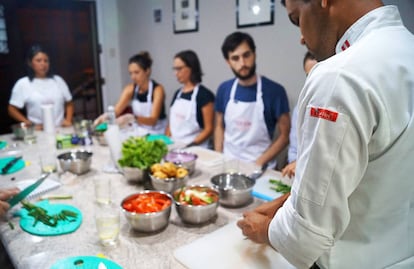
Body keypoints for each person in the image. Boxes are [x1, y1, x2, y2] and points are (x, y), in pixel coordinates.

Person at [237, 1, 414, 268]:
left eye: (297, 19)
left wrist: (264, 229)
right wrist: (289, 202)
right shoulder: (405, 49)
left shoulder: (339, 76)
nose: (301, 38)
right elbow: (376, 174)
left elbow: (304, 238)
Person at [214, 31, 290, 168]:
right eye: (235, 58)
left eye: (246, 55)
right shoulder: (224, 89)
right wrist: (218, 156)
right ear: (228, 62)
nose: (242, 63)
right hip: (227, 163)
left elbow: (285, 136)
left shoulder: (275, 91)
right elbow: (219, 126)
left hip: (261, 167)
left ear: (254, 54)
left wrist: (258, 163)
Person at [94, 51, 167, 135]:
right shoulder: (130, 89)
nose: (133, 77)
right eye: (130, 73)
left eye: (136, 72)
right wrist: (105, 117)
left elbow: (153, 120)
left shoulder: (158, 90)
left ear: (147, 71)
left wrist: (132, 118)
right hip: (140, 130)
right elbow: (116, 111)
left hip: (157, 132)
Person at [8, 44, 74, 129]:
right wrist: (29, 124)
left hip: (60, 130)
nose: (43, 64)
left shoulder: (58, 80)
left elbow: (69, 103)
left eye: (46, 61)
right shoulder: (23, 83)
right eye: (38, 61)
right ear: (30, 63)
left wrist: (68, 120)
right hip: (37, 132)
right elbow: (12, 109)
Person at [165, 50, 215, 148]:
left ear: (191, 68)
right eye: (174, 69)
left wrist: (190, 145)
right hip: (174, 147)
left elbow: (209, 129)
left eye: (179, 69)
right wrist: (166, 142)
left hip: (196, 150)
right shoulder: (177, 94)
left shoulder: (204, 95)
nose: (176, 73)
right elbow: (171, 125)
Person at [281, 51, 317, 178]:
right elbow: (294, 149)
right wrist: (294, 164)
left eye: (318, 74)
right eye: (309, 76)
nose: (314, 81)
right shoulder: (301, 107)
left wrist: (303, 165)